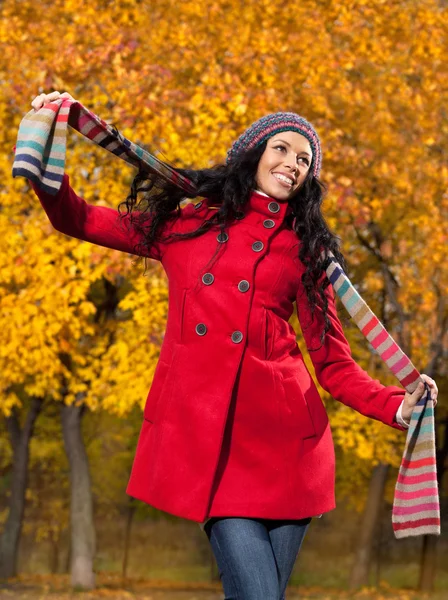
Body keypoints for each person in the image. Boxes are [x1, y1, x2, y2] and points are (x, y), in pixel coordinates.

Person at [30, 91, 438, 600]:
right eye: (282, 149)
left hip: (291, 451)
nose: (293, 164)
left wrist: (398, 406)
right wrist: (46, 142)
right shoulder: (187, 225)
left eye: (304, 159)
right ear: (253, 153)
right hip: (216, 448)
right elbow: (81, 219)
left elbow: (333, 364)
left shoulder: (308, 253)